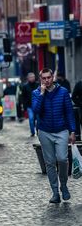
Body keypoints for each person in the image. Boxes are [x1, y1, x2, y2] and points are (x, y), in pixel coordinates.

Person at [32, 68, 76, 204]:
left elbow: (69, 112)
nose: (46, 80)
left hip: (61, 130)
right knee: (50, 163)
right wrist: (42, 94)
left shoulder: (62, 92)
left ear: (53, 78)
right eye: (43, 78)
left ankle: (63, 185)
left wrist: (72, 131)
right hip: (45, 132)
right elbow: (36, 110)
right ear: (41, 80)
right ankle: (55, 192)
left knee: (62, 159)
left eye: (48, 77)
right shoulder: (36, 93)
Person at [20, 72, 39, 137]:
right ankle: (32, 132)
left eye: (33, 77)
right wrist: (24, 106)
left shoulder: (38, 85)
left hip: (38, 105)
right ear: (28, 78)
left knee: (39, 120)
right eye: (31, 77)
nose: (32, 78)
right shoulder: (25, 86)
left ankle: (38, 131)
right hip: (29, 106)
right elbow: (23, 97)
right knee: (31, 119)